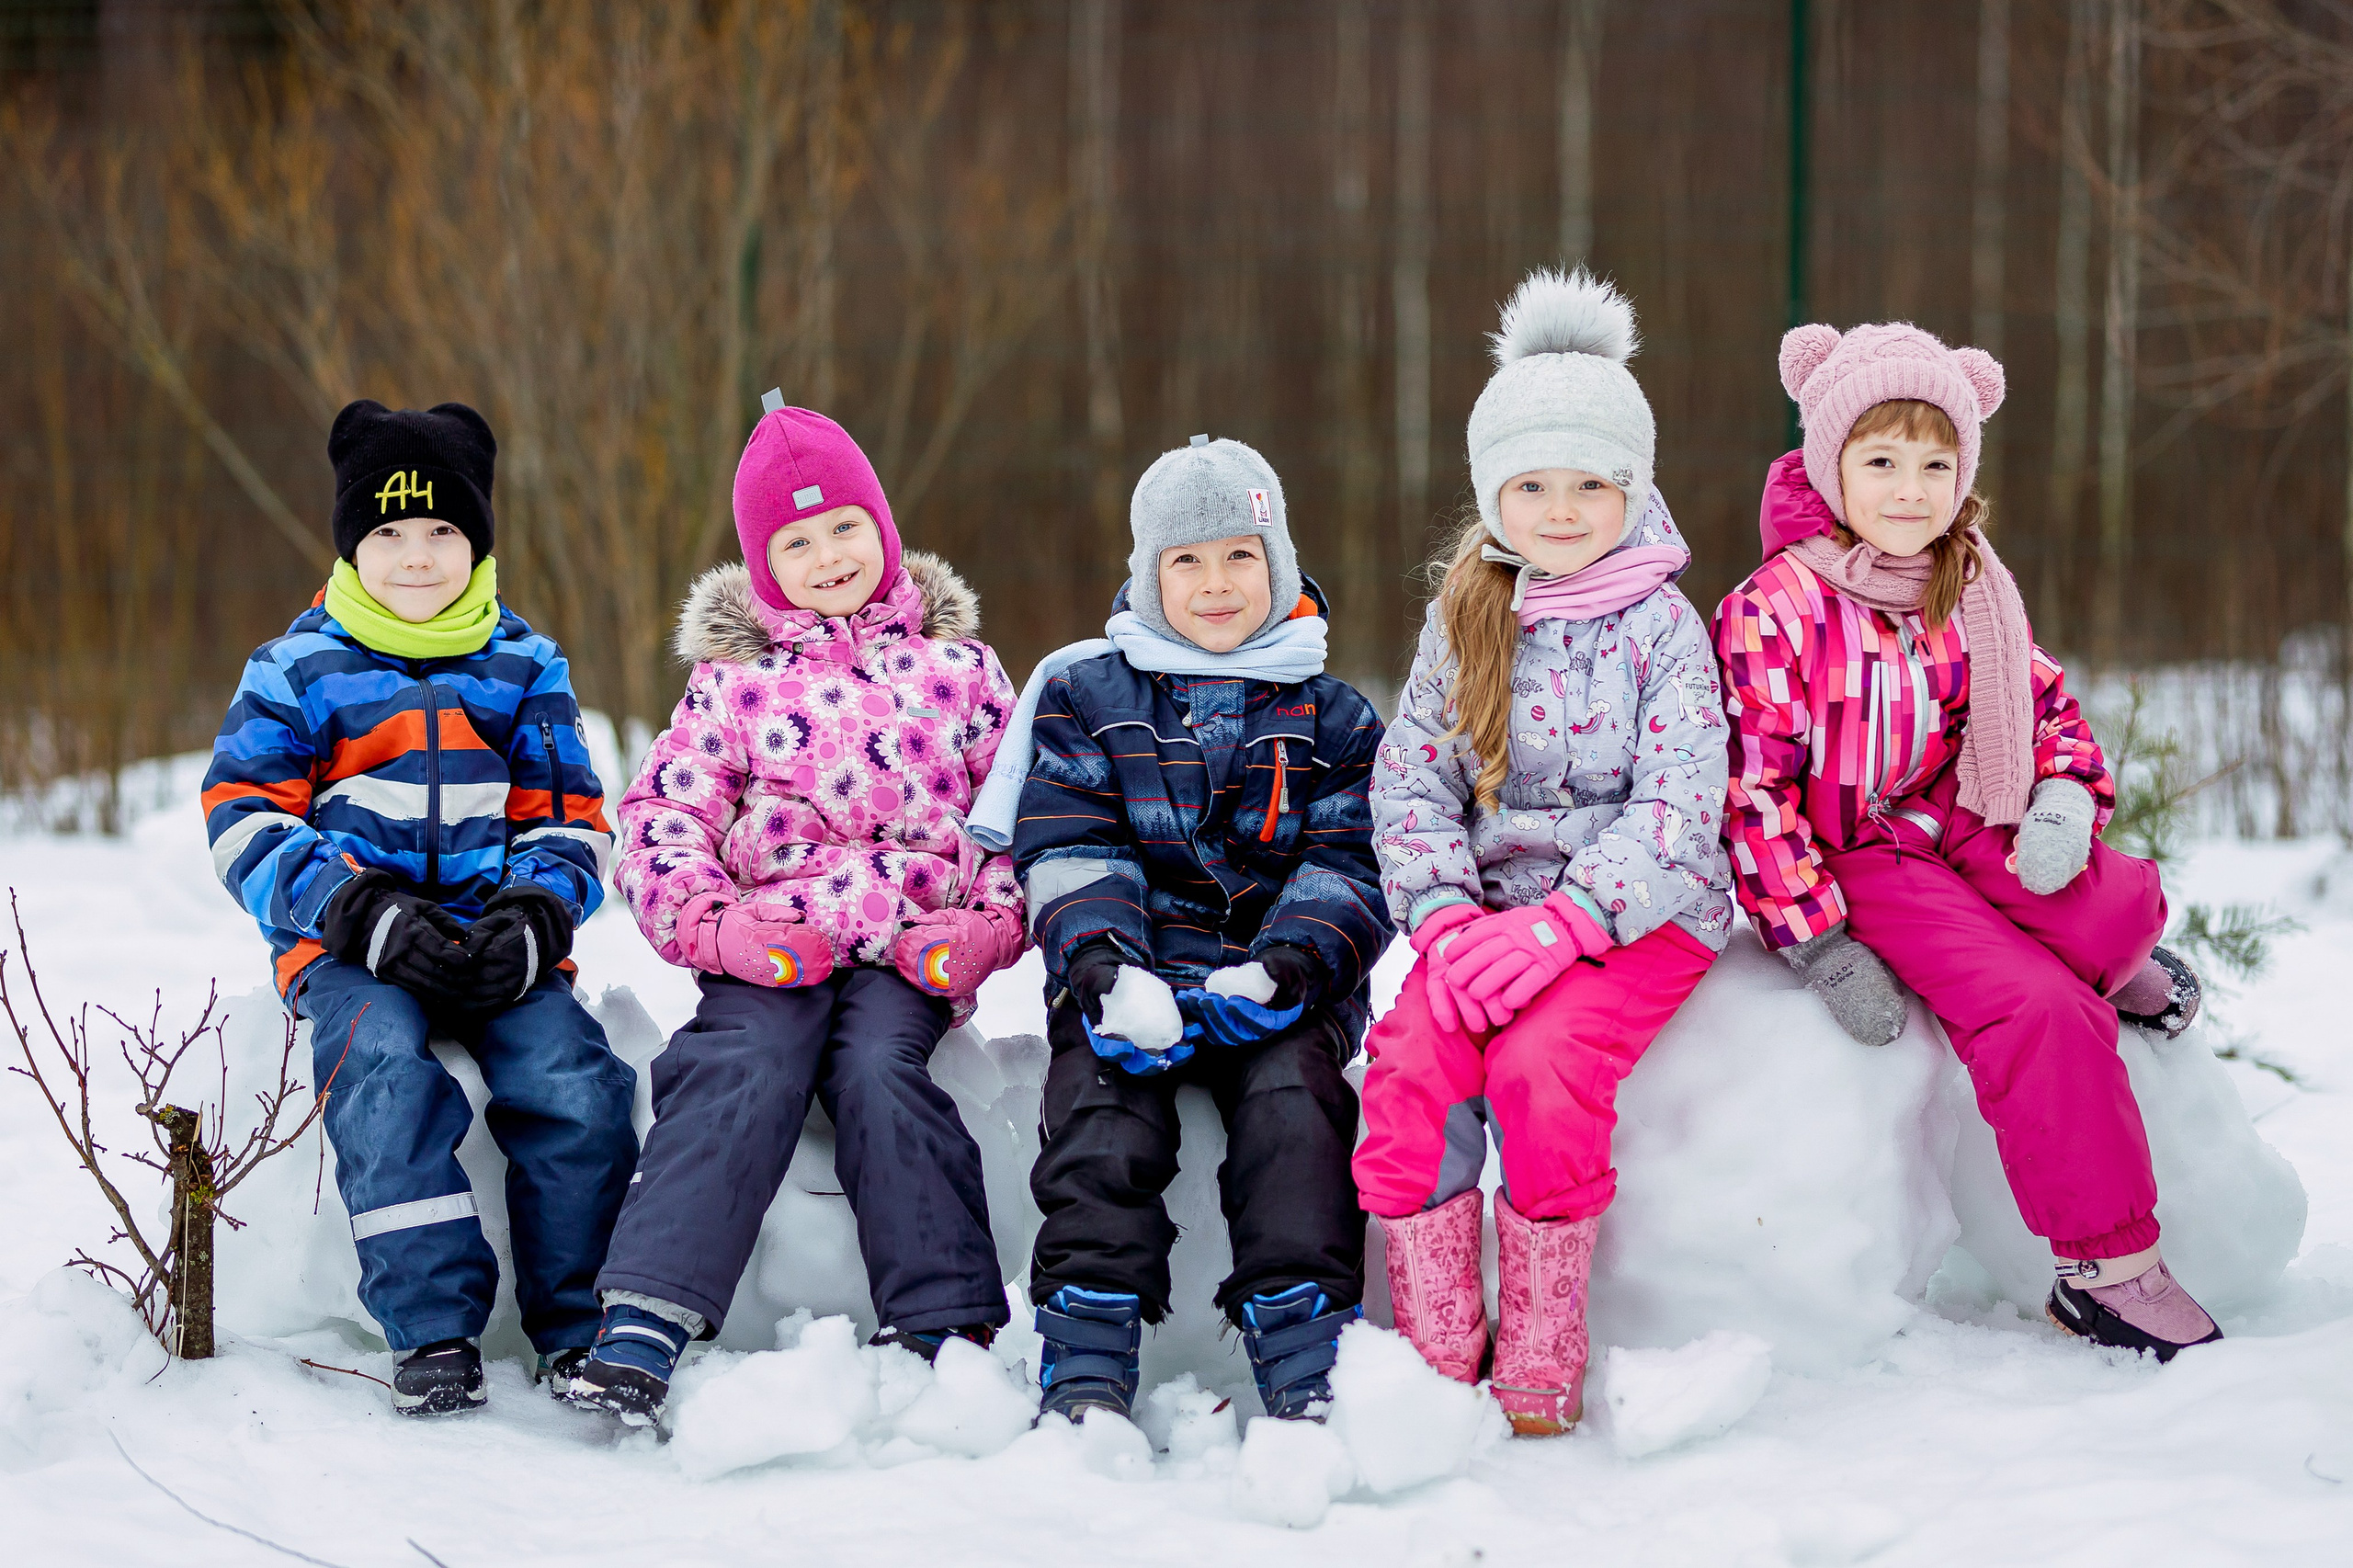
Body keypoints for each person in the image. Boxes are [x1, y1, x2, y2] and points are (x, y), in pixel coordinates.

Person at [1714, 321, 2218, 1361]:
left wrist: (2062, 795)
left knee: (2120, 904)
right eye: (1881, 463)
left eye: (1935, 465)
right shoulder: (1775, 607)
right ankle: (2106, 1271)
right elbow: (1751, 790)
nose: (1911, 491)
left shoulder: (1967, 580)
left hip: (1963, 807)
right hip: (1860, 847)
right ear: (1830, 463)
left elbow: (2043, 704)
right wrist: (1815, 940)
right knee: (2039, 1007)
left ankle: (2104, 951)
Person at [572, 401, 1027, 1426]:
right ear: (763, 564)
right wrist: (714, 926)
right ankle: (646, 1313)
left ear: (884, 527)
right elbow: (663, 818)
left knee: (879, 1070)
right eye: (797, 542)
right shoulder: (733, 683)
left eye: (845, 527)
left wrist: (985, 929)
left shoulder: (961, 670)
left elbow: (1016, 821)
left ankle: (944, 1319)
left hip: (908, 951)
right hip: (770, 945)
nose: (829, 557)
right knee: (737, 1060)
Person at [1352, 269, 1736, 1436]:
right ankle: (1435, 1339)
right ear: (1492, 494)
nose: (1560, 512)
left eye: (1590, 484)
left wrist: (1567, 924)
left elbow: (1680, 805)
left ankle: (1540, 1330)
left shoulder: (1663, 628)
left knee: (1543, 1063)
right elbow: (1411, 777)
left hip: (1636, 916)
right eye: (1531, 486)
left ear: (1634, 487)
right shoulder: (1465, 614)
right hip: (1483, 919)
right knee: (1411, 1058)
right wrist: (1446, 921)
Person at [201, 399, 636, 1416]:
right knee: (386, 1076)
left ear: (477, 538)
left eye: (442, 529)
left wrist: (536, 915)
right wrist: (356, 911)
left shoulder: (524, 665)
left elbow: (571, 817)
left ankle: (578, 1325)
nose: (416, 555)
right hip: (354, 945)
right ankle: (432, 1325)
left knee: (574, 1079)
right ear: (352, 542)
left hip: (495, 940)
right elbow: (243, 815)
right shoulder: (295, 669)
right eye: (389, 530)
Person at [972, 434, 1391, 1423]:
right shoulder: (1087, 697)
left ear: (1278, 563)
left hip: (1278, 988)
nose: (1215, 583)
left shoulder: (1334, 716)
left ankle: (1302, 1342)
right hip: (1132, 980)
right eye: (1187, 561)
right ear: (1149, 575)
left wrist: (1287, 968)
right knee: (1100, 1118)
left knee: (1295, 1112)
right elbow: (1072, 844)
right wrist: (1107, 970)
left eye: (1240, 555)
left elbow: (1349, 861)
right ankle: (1087, 1342)